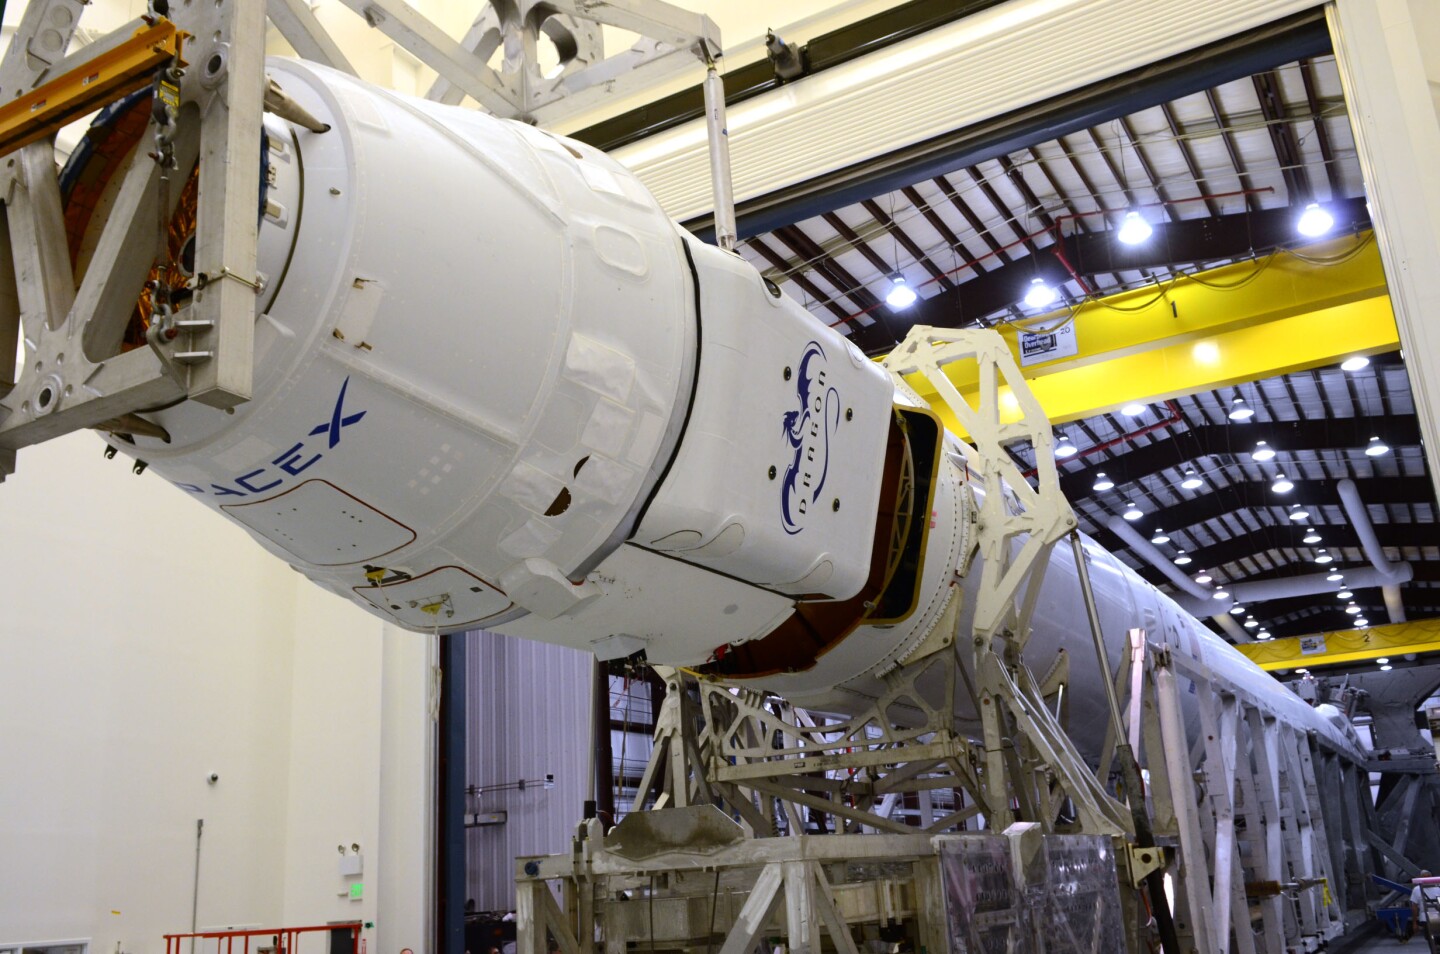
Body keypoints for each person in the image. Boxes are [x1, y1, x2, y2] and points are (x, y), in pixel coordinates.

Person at [1412, 872, 1440, 951]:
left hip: (1426, 918)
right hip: (1437, 916)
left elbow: (1414, 907)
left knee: (1431, 940)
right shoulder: (1438, 888)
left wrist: (1414, 922)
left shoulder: (1417, 889)